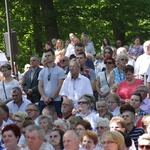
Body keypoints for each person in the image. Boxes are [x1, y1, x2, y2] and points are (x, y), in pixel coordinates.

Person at [38, 49, 65, 116]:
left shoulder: (60, 70)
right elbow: (40, 86)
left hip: (56, 100)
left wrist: (51, 98)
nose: (47, 57)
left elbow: (60, 85)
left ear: (54, 57)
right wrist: (44, 97)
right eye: (46, 56)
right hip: (43, 100)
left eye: (49, 55)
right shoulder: (42, 71)